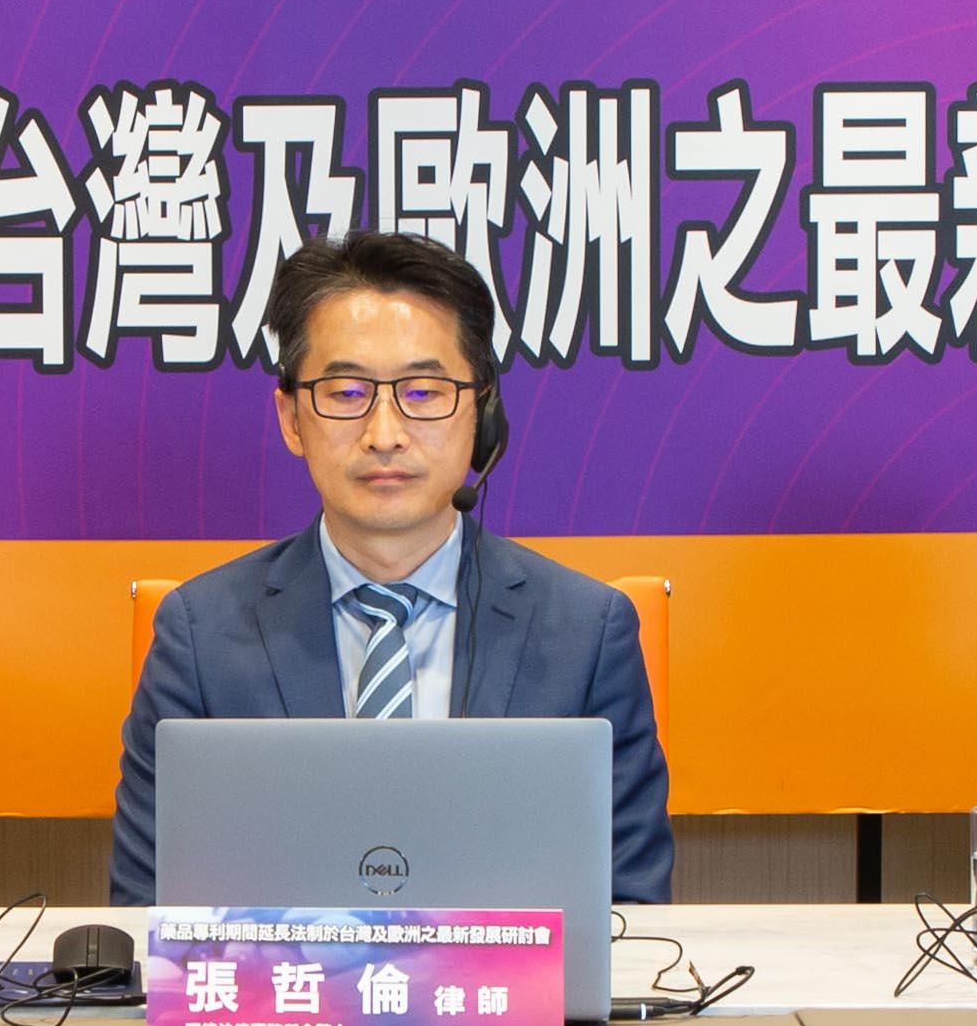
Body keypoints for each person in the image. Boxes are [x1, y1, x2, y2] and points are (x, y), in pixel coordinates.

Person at [111, 231, 672, 908]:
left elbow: (631, 911)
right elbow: (148, 908)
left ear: (482, 413)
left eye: (424, 392)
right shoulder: (200, 636)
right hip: (283, 982)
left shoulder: (585, 635)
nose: (384, 434)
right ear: (291, 418)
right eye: (346, 392)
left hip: (516, 983)